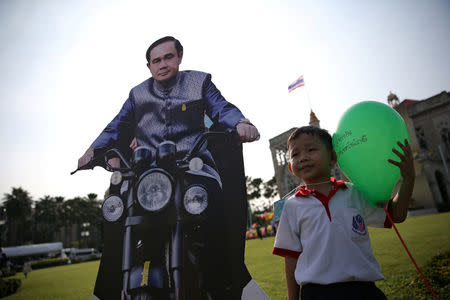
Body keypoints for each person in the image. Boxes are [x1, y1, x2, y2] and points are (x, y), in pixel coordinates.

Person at [77, 36, 259, 299]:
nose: (162, 64)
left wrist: (241, 122)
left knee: (214, 206)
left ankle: (223, 284)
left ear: (180, 57)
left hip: (193, 168)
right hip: (147, 175)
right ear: (149, 66)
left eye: (168, 57)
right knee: (114, 207)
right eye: (156, 60)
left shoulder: (200, 81)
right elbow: (116, 125)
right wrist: (93, 150)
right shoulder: (137, 94)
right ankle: (106, 290)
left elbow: (221, 108)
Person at [272, 126, 415, 300]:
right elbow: (291, 258)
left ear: (332, 157)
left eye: (311, 150)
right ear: (291, 167)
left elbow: (396, 215)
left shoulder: (354, 193)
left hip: (364, 291)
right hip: (316, 294)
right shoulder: (291, 206)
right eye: (295, 154)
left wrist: (409, 179)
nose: (303, 158)